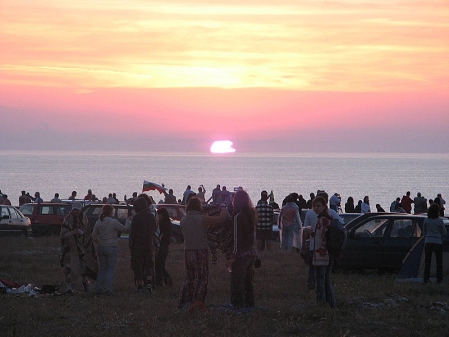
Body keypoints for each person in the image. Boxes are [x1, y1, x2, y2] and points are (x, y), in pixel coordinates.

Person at [178, 197, 226, 311]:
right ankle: (197, 302)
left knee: (189, 278)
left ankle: (184, 301)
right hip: (200, 252)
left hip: (187, 251)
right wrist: (223, 207)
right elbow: (221, 219)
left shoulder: (183, 220)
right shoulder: (202, 219)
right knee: (202, 278)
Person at [226, 190, 257, 309]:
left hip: (241, 255)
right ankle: (250, 305)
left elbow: (236, 238)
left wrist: (232, 256)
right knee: (248, 282)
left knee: (237, 283)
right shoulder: (250, 215)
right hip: (251, 253)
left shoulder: (237, 217)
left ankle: (238, 306)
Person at [60, 202, 97, 294]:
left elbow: (88, 232)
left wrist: (84, 236)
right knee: (69, 267)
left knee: (84, 267)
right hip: (70, 248)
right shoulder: (67, 220)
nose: (76, 212)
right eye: (74, 210)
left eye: (78, 210)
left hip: (83, 247)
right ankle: (69, 288)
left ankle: (86, 287)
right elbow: (63, 235)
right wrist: (73, 233)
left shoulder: (84, 219)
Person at [91, 204, 128, 294]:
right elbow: (125, 229)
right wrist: (128, 221)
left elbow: (93, 235)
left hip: (101, 247)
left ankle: (98, 288)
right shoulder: (113, 222)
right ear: (111, 212)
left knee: (102, 268)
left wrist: (99, 242)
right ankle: (108, 289)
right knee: (110, 269)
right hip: (112, 247)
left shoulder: (98, 222)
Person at [310, 196, 336, 308]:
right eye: (314, 206)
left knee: (321, 280)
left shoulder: (324, 219)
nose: (316, 208)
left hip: (322, 255)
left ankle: (322, 304)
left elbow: (322, 238)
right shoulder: (327, 217)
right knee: (325, 280)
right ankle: (331, 304)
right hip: (327, 254)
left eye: (318, 206)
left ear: (324, 206)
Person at [129, 197, 157, 292]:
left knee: (138, 266)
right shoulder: (151, 216)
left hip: (137, 246)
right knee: (148, 265)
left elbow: (132, 232)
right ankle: (149, 283)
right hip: (148, 244)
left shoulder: (136, 217)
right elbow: (154, 229)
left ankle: (140, 286)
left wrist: (131, 244)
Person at [422, 203, 447, 284]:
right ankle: (439, 279)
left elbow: (423, 231)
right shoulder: (440, 221)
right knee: (439, 262)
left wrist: (428, 236)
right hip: (437, 242)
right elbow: (444, 232)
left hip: (428, 241)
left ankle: (426, 279)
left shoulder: (426, 220)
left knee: (427, 262)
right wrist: (440, 238)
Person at [154, 207, 172, 287]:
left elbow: (160, 235)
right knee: (161, 265)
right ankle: (166, 281)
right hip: (165, 246)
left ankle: (160, 282)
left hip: (161, 246)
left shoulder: (162, 224)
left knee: (159, 266)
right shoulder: (168, 223)